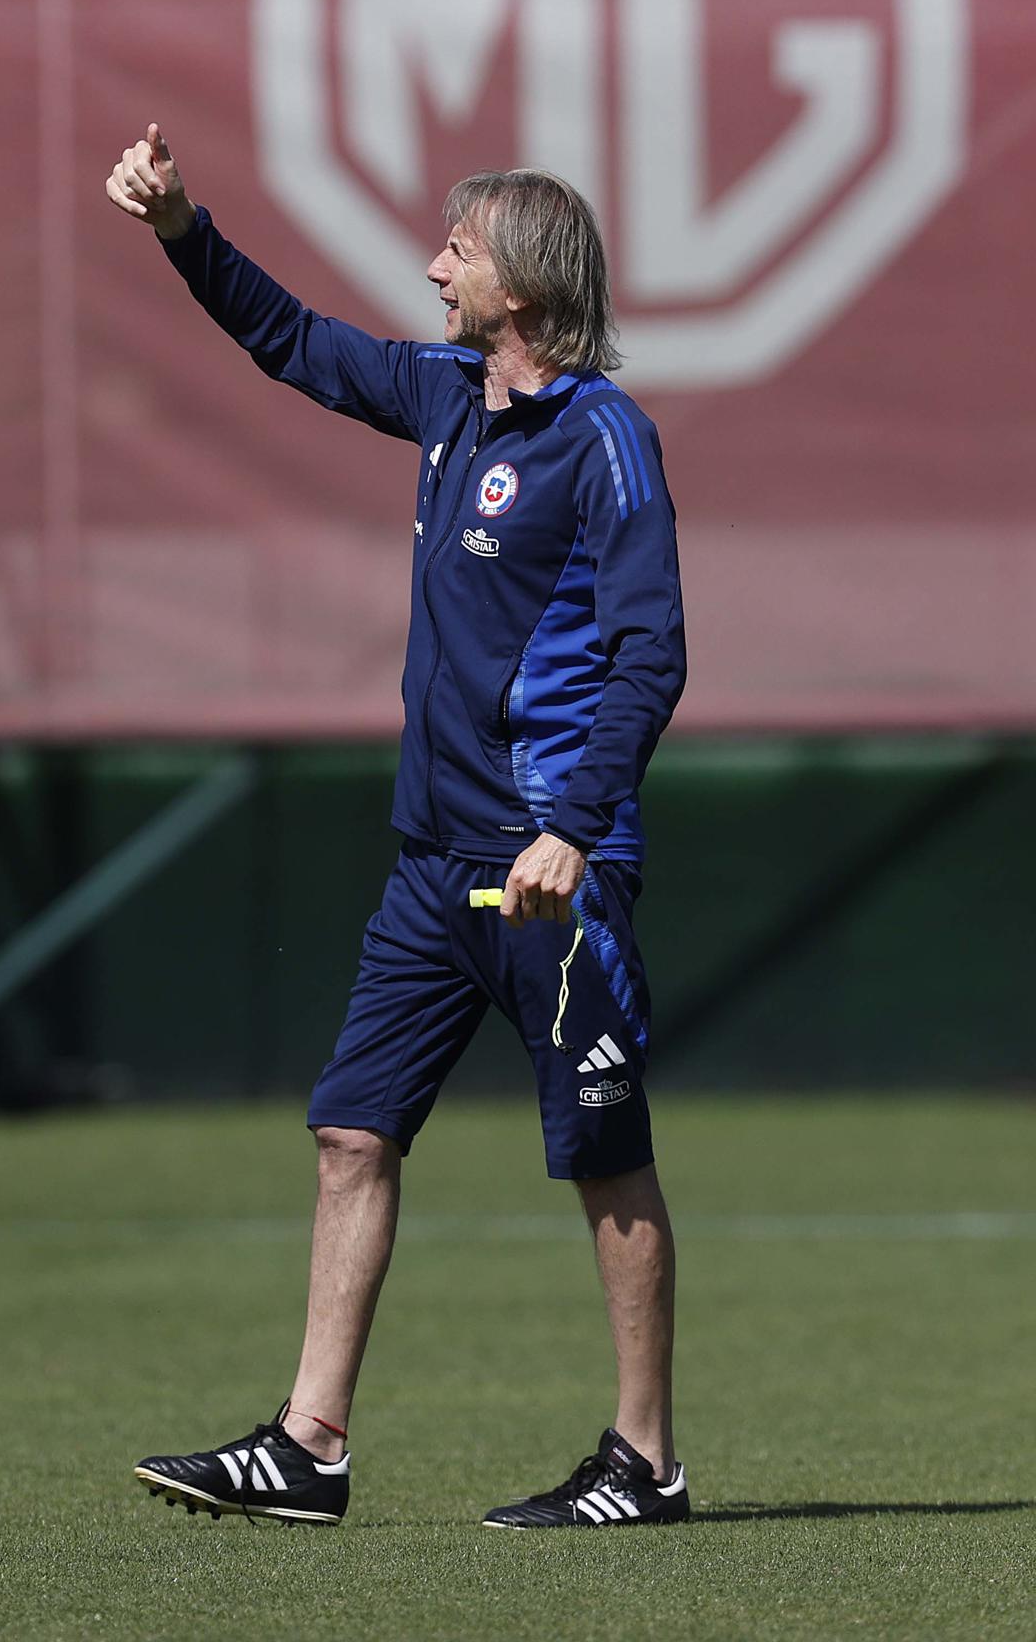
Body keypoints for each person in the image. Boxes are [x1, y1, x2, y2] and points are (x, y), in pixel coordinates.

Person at [107, 125, 688, 1531]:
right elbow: (292, 341)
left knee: (606, 1154)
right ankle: (310, 1446)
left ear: (528, 289)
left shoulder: (604, 440)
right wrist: (184, 227)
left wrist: (575, 827)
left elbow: (649, 653)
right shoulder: (446, 396)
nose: (434, 268)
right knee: (351, 1137)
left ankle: (644, 1461)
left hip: (553, 878)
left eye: (460, 253)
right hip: (433, 870)